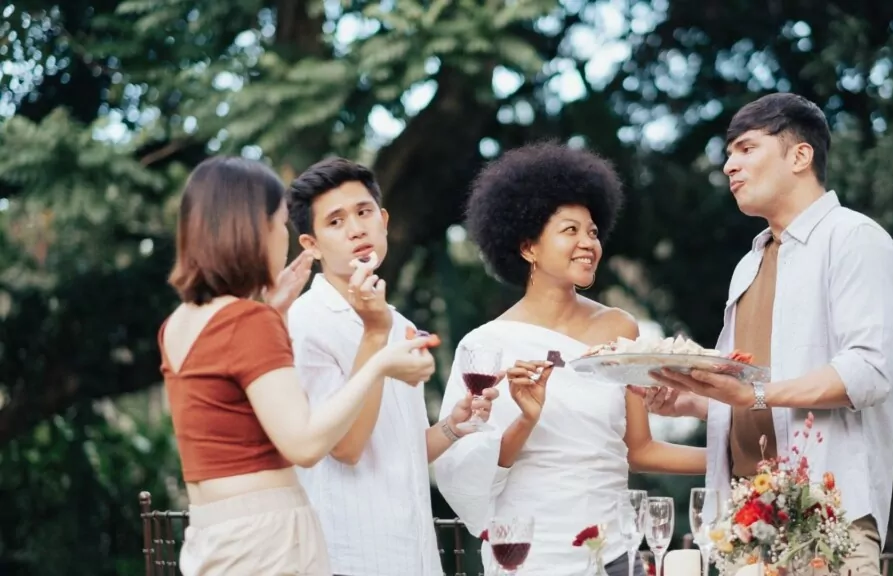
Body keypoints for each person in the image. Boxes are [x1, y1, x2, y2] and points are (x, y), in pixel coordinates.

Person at [640, 93, 893, 575]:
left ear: (800, 156)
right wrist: (692, 398)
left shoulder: (854, 238)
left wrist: (751, 394)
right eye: (728, 153)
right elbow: (747, 394)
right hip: (743, 524)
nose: (728, 166)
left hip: (826, 520)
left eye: (745, 149)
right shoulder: (749, 263)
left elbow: (869, 371)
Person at [433, 142, 706, 576]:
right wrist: (526, 419)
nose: (587, 243)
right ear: (528, 248)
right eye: (570, 231)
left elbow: (640, 449)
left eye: (593, 232)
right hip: (526, 552)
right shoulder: (485, 346)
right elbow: (465, 472)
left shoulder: (621, 329)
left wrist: (730, 460)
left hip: (615, 549)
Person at [158, 156, 436, 575]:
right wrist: (378, 362)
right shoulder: (248, 323)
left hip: (213, 531)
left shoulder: (179, 323)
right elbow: (305, 444)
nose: (282, 239)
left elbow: (233, 414)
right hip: (268, 535)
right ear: (251, 231)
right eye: (278, 224)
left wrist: (274, 313)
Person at [285, 157, 498, 576]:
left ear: (383, 220)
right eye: (335, 221)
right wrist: (375, 338)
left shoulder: (398, 323)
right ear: (311, 245)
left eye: (364, 212)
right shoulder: (308, 321)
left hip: (413, 551)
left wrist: (453, 426)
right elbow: (346, 448)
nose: (356, 229)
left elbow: (401, 450)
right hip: (349, 555)